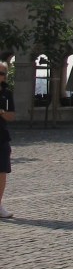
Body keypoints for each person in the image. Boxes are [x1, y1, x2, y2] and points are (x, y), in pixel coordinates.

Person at [0, 61, 15, 219]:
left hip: (2, 136)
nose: (0, 76)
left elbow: (11, 116)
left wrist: (2, 112)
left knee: (2, 171)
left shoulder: (7, 93)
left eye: (3, 74)